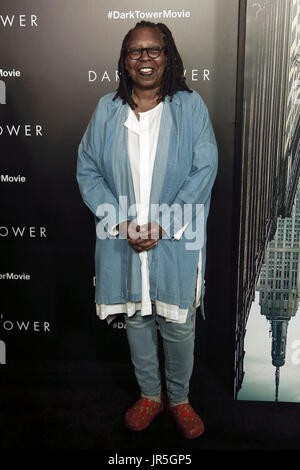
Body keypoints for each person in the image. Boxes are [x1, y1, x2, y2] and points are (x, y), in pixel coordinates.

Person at [77, 21, 218, 439]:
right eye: (135, 52)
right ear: (124, 61)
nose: (145, 59)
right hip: (124, 236)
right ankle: (150, 395)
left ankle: (179, 399)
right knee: (137, 317)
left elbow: (204, 169)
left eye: (153, 50)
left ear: (168, 56)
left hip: (176, 238)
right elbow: (87, 168)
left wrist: (164, 224)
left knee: (177, 323)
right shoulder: (107, 109)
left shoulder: (190, 107)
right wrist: (120, 223)